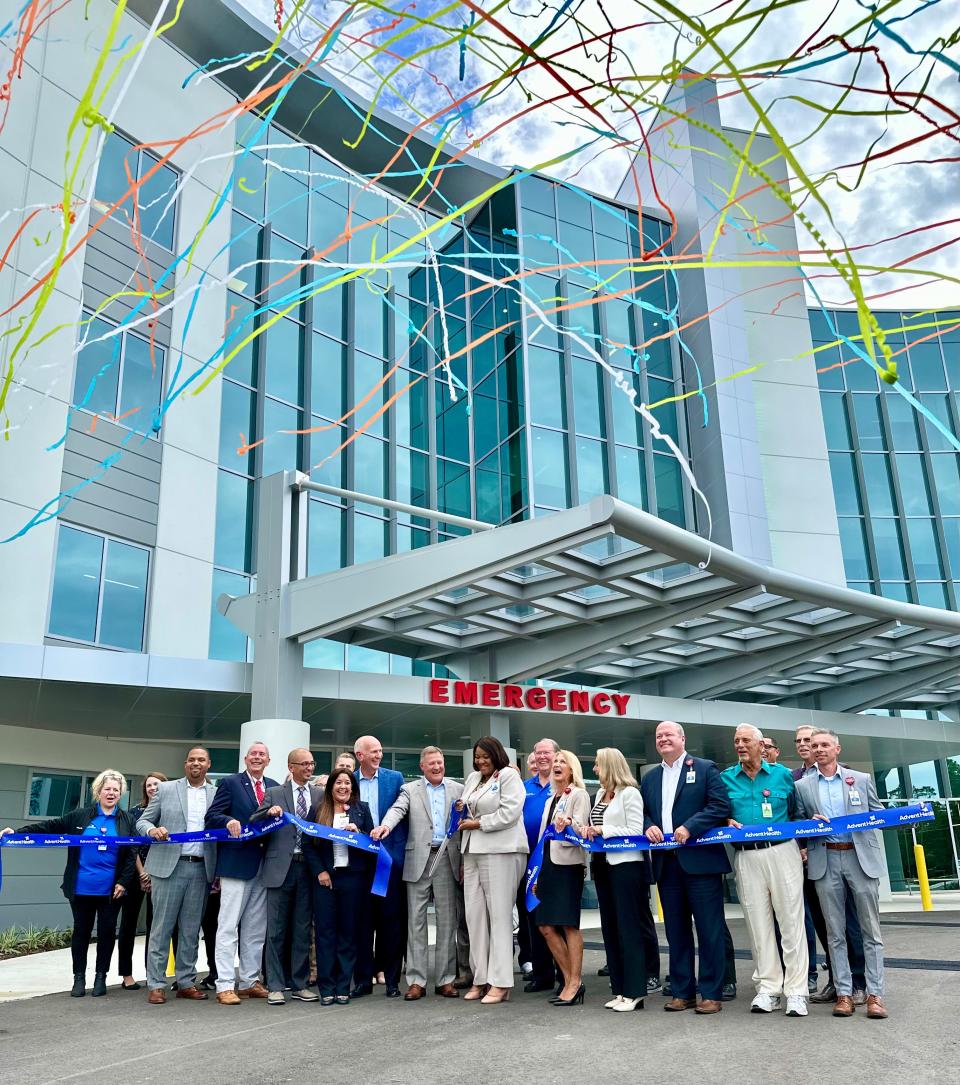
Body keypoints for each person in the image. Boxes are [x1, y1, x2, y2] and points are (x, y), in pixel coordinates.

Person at [2, 769, 137, 997]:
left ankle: (100, 977)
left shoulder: (127, 820)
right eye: (107, 789)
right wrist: (16, 832)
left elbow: (132, 853)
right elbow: (48, 827)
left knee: (106, 933)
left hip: (111, 890)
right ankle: (79, 979)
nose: (111, 793)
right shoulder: (79, 816)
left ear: (121, 793)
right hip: (81, 887)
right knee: (81, 932)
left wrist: (123, 882)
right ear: (98, 791)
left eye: (116, 789)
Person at [795, 729, 888, 1019]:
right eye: (814, 745)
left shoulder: (860, 779)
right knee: (835, 932)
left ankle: (875, 994)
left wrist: (909, 818)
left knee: (870, 930)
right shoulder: (804, 786)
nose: (819, 749)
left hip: (860, 858)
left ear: (837, 749)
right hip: (826, 859)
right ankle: (844, 993)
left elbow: (879, 813)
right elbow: (797, 822)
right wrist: (808, 822)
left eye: (825, 745)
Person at [641, 721, 731, 1015]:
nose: (663, 739)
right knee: (676, 932)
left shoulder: (704, 768)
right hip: (667, 865)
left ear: (682, 738)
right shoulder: (651, 777)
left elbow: (720, 806)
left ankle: (710, 992)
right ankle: (682, 992)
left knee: (709, 931)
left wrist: (690, 827)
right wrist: (648, 826)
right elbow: (642, 813)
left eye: (668, 734)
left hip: (701, 863)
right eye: (659, 736)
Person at [721, 724, 809, 1017]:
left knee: (791, 922)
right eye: (737, 741)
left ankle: (796, 991)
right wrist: (725, 821)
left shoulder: (783, 775)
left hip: (783, 851)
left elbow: (797, 813)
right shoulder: (725, 779)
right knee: (757, 924)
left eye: (746, 740)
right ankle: (769, 989)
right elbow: (719, 813)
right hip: (747, 856)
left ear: (762, 746)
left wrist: (804, 844)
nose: (740, 745)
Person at [373, 746, 463, 1000]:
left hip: (447, 858)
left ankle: (445, 980)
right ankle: (416, 981)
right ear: (422, 767)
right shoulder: (410, 790)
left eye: (440, 763)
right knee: (416, 923)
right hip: (418, 861)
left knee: (447, 922)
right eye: (432, 763)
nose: (437, 767)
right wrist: (385, 827)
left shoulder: (458, 790)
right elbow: (397, 810)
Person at [137, 748, 217, 1004]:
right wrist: (152, 831)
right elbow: (142, 822)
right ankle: (156, 983)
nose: (196, 763)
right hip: (167, 867)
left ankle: (185, 982)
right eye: (192, 759)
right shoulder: (166, 789)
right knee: (162, 928)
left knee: (191, 930)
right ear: (185, 764)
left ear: (208, 765)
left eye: (201, 760)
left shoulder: (216, 794)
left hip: (200, 868)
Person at [204, 740, 279, 1005]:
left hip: (263, 864)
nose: (257, 758)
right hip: (236, 864)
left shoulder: (273, 786)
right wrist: (228, 821)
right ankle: (224, 984)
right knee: (227, 926)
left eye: (262, 754)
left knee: (256, 928)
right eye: (253, 754)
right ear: (246, 759)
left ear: (268, 760)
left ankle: (249, 981)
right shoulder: (230, 783)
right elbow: (212, 815)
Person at [250, 748, 323, 1005]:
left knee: (302, 929)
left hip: (308, 867)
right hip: (280, 867)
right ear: (291, 767)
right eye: (304, 764)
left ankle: (300, 984)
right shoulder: (274, 793)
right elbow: (254, 821)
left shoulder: (319, 794)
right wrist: (268, 813)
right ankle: (275, 985)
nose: (309, 768)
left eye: (312, 764)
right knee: (276, 930)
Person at [458, 736, 527, 1004]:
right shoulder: (473, 779)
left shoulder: (509, 776)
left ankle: (501, 983)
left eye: (485, 756)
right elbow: (463, 808)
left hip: (502, 850)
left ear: (496, 755)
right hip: (472, 851)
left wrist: (478, 823)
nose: (480, 761)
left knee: (499, 918)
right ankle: (480, 978)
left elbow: (510, 813)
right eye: (477, 756)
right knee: (475, 918)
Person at [581, 748, 650, 1012]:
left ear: (610, 766)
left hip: (626, 867)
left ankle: (635, 992)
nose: (595, 770)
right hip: (602, 866)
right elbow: (596, 825)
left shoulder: (630, 794)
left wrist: (603, 829)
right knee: (610, 928)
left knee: (628, 929)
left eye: (598, 765)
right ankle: (619, 989)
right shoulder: (599, 795)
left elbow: (635, 830)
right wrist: (588, 830)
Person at [307, 768, 375, 1005]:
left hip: (353, 879)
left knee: (348, 933)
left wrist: (359, 834)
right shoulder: (318, 809)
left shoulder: (362, 809)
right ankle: (326, 988)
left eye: (347, 783)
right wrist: (320, 871)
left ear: (353, 787)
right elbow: (308, 844)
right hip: (326, 880)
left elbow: (371, 845)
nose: (343, 787)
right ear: (331, 787)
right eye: (338, 783)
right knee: (325, 934)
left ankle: (343, 986)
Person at [533, 750, 590, 1007]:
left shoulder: (578, 794)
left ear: (571, 768)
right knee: (545, 926)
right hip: (546, 864)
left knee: (568, 925)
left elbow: (582, 828)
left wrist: (569, 822)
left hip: (568, 866)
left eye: (561, 762)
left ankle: (574, 982)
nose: (556, 765)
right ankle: (569, 980)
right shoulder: (550, 798)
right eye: (554, 762)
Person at [352, 735, 407, 999]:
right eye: (373, 751)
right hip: (359, 863)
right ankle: (363, 980)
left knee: (391, 923)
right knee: (363, 923)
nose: (378, 755)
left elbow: (402, 814)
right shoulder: (348, 781)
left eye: (380, 751)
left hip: (388, 860)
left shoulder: (394, 778)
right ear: (359, 755)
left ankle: (393, 979)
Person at [116, 772, 167, 990]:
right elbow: (131, 845)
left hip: (162, 874)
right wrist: (143, 872)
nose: (153, 788)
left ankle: (153, 974)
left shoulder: (169, 813)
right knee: (128, 924)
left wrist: (153, 873)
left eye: (157, 784)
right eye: (149, 785)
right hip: (135, 873)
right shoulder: (133, 813)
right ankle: (126, 974)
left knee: (156, 926)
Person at [518, 737, 560, 992]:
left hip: (556, 861)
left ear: (556, 754)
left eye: (547, 752)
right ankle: (542, 974)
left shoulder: (563, 785)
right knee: (533, 918)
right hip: (529, 862)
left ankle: (564, 974)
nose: (542, 757)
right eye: (538, 753)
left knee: (557, 919)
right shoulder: (524, 787)